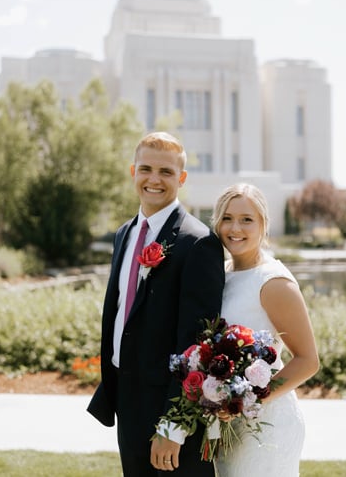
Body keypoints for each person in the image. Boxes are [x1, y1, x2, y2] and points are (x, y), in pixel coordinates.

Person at [87, 132, 225, 476]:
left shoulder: (198, 243)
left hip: (167, 406)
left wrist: (174, 426)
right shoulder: (125, 233)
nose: (154, 179)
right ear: (133, 171)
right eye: (145, 168)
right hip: (126, 396)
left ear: (181, 178)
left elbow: (197, 346)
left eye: (165, 172)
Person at [212, 183, 319, 477]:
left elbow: (308, 360)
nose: (236, 227)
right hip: (227, 426)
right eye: (227, 218)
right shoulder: (219, 273)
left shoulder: (273, 282)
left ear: (263, 225)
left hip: (267, 428)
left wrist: (244, 401)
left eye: (247, 219)